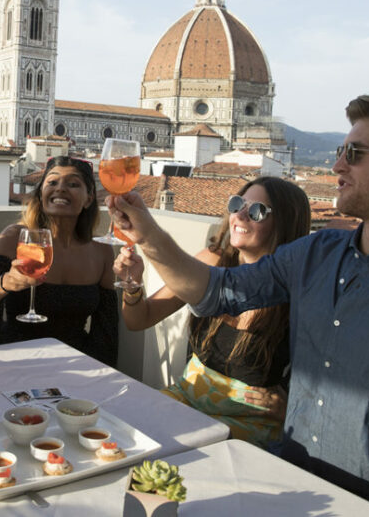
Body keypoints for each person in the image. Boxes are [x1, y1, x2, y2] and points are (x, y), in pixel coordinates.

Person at [107, 92, 369, 516]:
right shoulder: (316, 253)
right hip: (281, 483)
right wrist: (147, 234)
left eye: (355, 153)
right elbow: (217, 291)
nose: (337, 165)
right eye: (341, 151)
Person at [113, 177, 310, 447]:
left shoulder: (296, 291)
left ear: (284, 225)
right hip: (188, 400)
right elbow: (139, 320)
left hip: (248, 423)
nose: (240, 216)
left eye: (256, 211)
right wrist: (132, 284)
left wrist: (291, 406)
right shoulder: (213, 261)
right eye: (237, 204)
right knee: (118, 428)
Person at [0, 156, 118, 366]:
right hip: (16, 358)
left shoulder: (102, 251)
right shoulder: (14, 237)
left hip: (75, 361)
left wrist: (99, 372)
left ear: (89, 198)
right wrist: (5, 283)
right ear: (41, 193)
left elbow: (106, 331)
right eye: (52, 182)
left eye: (73, 184)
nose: (60, 188)